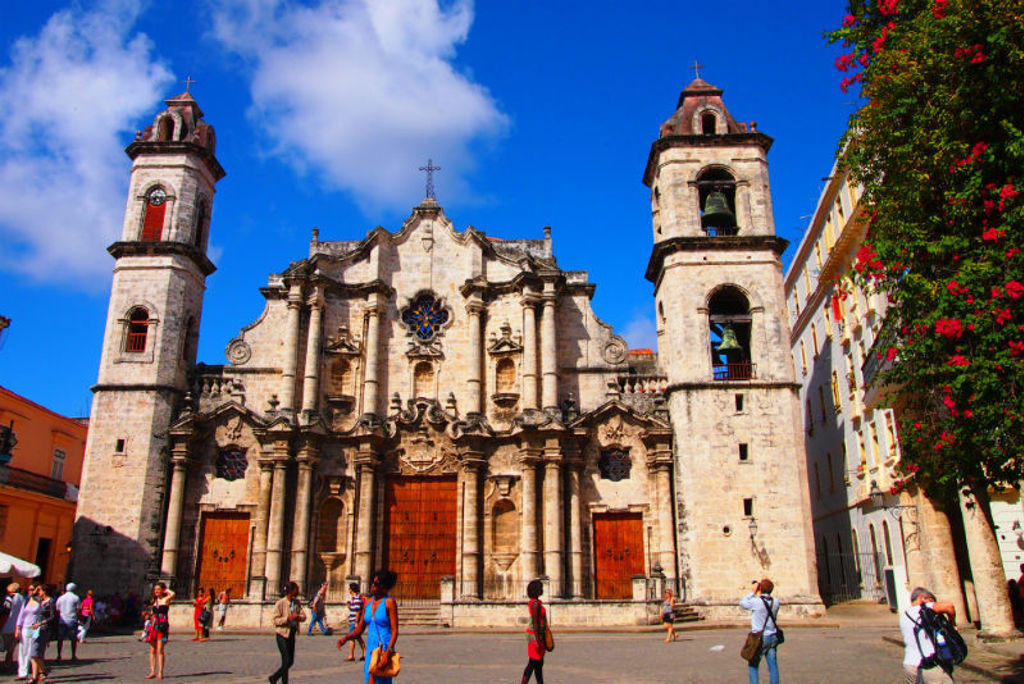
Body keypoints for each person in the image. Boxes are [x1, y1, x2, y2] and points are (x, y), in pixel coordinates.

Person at [337, 569, 399, 684]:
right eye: (372, 582)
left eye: (376, 584)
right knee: (369, 680)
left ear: (384, 586)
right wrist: (346, 638)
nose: (372, 586)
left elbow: (395, 631)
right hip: (371, 649)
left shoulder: (389, 602)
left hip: (383, 648)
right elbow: (360, 628)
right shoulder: (368, 603)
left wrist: (388, 652)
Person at [901, 586, 958, 684]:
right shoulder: (921, 609)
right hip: (931, 665)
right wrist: (952, 623)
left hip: (910, 664)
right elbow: (949, 606)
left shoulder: (905, 615)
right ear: (922, 598)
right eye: (931, 601)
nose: (933, 604)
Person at [740, 578, 780, 684]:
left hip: (759, 638)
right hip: (773, 636)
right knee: (773, 666)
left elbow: (742, 603)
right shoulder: (776, 602)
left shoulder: (756, 602)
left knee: (753, 665)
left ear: (760, 589)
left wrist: (753, 592)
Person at [17, 583, 55, 684]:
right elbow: (32, 596)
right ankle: (34, 677)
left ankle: (43, 671)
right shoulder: (40, 600)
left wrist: (41, 623)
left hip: (43, 629)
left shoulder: (50, 601)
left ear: (45, 591)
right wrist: (35, 589)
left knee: (35, 653)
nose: (38, 592)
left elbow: (52, 616)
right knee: (31, 652)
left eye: (40, 590)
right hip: (33, 628)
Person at [270, 581, 306, 684]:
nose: (298, 591)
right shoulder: (280, 603)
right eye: (296, 589)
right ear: (291, 591)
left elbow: (303, 616)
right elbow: (275, 620)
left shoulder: (297, 603)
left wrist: (298, 617)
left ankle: (276, 678)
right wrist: (287, 618)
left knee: (290, 661)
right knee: (286, 660)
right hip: (282, 634)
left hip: (291, 633)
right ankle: (278, 679)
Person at [144, 581, 174, 680]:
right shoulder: (154, 601)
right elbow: (152, 613)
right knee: (152, 650)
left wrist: (166, 590)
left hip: (162, 625)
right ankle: (152, 671)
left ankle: (160, 672)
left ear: (162, 590)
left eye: (158, 589)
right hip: (154, 625)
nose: (156, 591)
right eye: (155, 589)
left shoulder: (166, 600)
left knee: (160, 650)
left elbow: (173, 594)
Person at [521, 579, 548, 684]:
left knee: (538, 664)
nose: (542, 590)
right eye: (540, 588)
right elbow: (536, 623)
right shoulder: (535, 604)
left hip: (537, 636)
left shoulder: (535, 602)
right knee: (532, 663)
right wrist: (537, 641)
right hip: (535, 637)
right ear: (536, 590)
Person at [55, 583, 81, 661]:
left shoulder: (61, 598)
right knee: (73, 639)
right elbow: (78, 609)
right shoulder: (76, 598)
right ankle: (73, 655)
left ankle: (59, 655)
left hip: (62, 620)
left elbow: (57, 609)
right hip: (72, 620)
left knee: (60, 639)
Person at [2, 582, 25, 672]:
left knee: (2, 645)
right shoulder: (22, 598)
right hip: (16, 627)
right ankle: (7, 664)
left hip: (6, 625)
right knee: (11, 648)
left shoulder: (9, 598)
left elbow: (5, 613)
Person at [344, 582, 365, 661]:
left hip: (354, 622)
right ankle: (365, 652)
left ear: (351, 590)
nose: (349, 590)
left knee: (351, 637)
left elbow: (358, 611)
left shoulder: (356, 599)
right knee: (358, 637)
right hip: (353, 621)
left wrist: (356, 622)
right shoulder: (355, 598)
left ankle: (351, 655)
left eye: (349, 589)